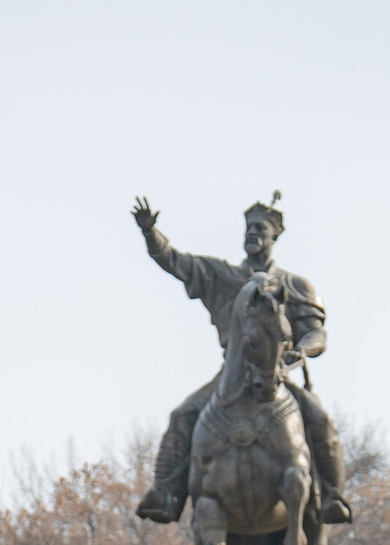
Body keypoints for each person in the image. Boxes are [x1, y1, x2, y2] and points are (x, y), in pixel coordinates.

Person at [131, 196, 352, 526]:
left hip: (277, 374)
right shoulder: (223, 277)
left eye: (260, 229)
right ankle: (165, 494)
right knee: (183, 416)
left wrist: (301, 351)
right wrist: (151, 234)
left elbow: (317, 334)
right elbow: (176, 261)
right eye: (248, 228)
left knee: (319, 419)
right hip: (231, 375)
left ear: (274, 236)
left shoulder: (294, 286)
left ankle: (333, 496)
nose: (252, 234)